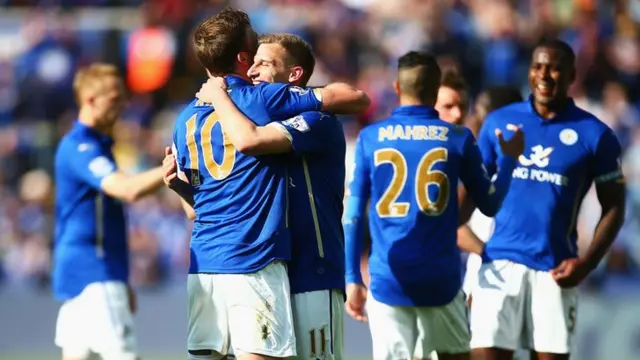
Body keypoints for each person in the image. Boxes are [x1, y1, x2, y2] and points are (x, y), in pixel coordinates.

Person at [170, 8, 368, 360]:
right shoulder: (257, 102)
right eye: (254, 61)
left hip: (303, 272)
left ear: (293, 75)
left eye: (266, 63)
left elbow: (354, 98)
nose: (255, 70)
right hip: (259, 263)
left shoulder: (312, 119)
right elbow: (198, 208)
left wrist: (219, 96)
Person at [343, 50, 524, 360]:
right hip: (441, 280)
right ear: (434, 90)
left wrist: (351, 277)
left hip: (389, 279)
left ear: (398, 89)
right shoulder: (458, 138)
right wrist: (508, 160)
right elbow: (491, 203)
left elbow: (353, 214)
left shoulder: (370, 138)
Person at [470, 39, 626, 360]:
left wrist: (588, 262)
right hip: (499, 265)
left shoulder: (595, 135)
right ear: (529, 71)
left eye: (555, 68)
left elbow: (615, 206)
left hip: (555, 270)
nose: (545, 75)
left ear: (571, 76)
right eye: (538, 66)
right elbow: (470, 190)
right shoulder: (499, 123)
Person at [53, 63, 166, 360]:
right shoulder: (81, 147)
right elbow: (127, 189)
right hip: (94, 270)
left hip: (87, 272)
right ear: (90, 100)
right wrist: (171, 167)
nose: (122, 105)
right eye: (114, 99)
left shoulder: (96, 147)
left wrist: (122, 278)